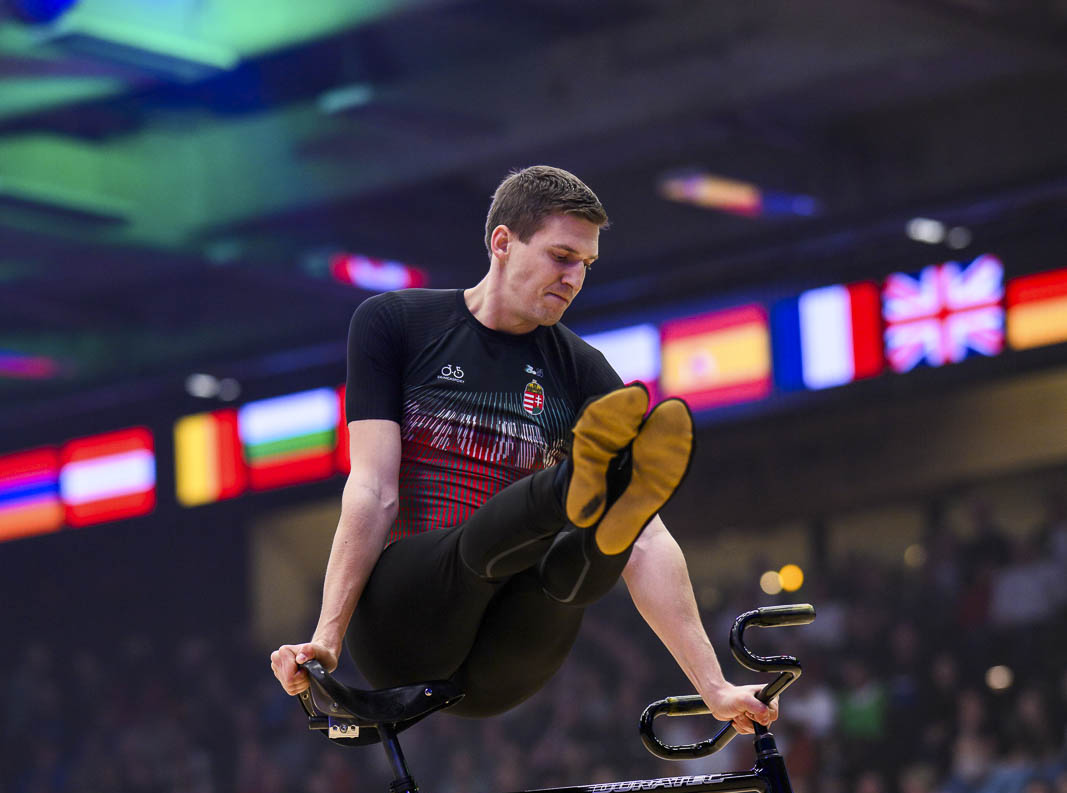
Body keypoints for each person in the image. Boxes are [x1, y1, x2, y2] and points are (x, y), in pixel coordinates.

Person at [271, 165, 776, 735]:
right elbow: (373, 490)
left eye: (586, 265)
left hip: (499, 672)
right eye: (562, 257)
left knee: (571, 570)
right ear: (503, 243)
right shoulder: (396, 325)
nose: (574, 278)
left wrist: (713, 687)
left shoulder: (582, 370)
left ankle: (586, 511)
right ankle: (569, 487)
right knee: (479, 545)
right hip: (403, 630)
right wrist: (327, 637)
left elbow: (649, 539)